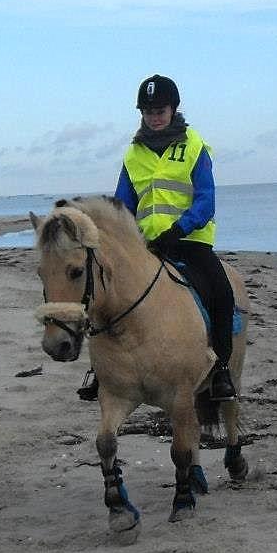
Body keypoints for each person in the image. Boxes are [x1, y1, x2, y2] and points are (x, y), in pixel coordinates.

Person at [78, 74, 237, 402]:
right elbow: (122, 204)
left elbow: (206, 200)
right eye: (148, 111)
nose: (154, 116)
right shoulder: (133, 155)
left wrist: (178, 230)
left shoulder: (194, 146)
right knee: (103, 293)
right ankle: (100, 368)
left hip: (191, 242)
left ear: (173, 109)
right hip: (146, 246)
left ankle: (220, 369)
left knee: (221, 294)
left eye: (160, 110)